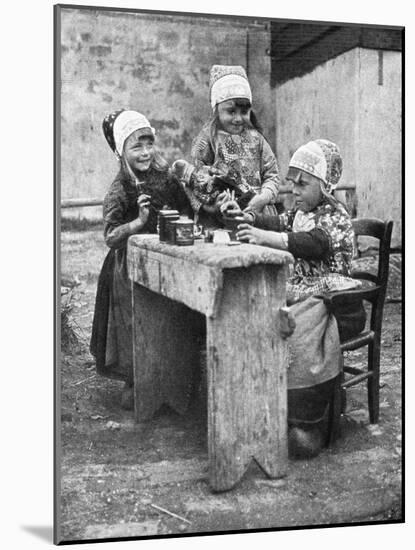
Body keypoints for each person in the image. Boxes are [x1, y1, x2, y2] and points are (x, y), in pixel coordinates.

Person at [221, 139, 365, 458]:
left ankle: (310, 422)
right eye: (292, 183)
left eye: (303, 184)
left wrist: (263, 238)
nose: (295, 191)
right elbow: (275, 222)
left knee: (298, 333)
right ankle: (273, 406)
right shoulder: (300, 212)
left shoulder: (334, 216)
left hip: (338, 302)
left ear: (325, 186)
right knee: (263, 316)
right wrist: (246, 218)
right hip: (305, 293)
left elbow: (309, 243)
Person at [90, 109, 191, 409]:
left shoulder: (165, 179)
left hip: (164, 258)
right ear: (122, 151)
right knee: (135, 322)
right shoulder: (120, 189)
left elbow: (186, 209)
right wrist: (138, 222)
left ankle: (169, 380)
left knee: (167, 317)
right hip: (127, 267)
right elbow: (110, 236)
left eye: (149, 143)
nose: (146, 152)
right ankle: (136, 380)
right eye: (137, 146)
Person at [173, 65, 281, 228]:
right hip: (219, 219)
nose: (238, 118)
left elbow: (272, 174)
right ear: (216, 109)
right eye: (231, 111)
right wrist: (211, 206)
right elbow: (192, 183)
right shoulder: (206, 140)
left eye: (244, 112)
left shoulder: (257, 139)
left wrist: (264, 197)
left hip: (256, 215)